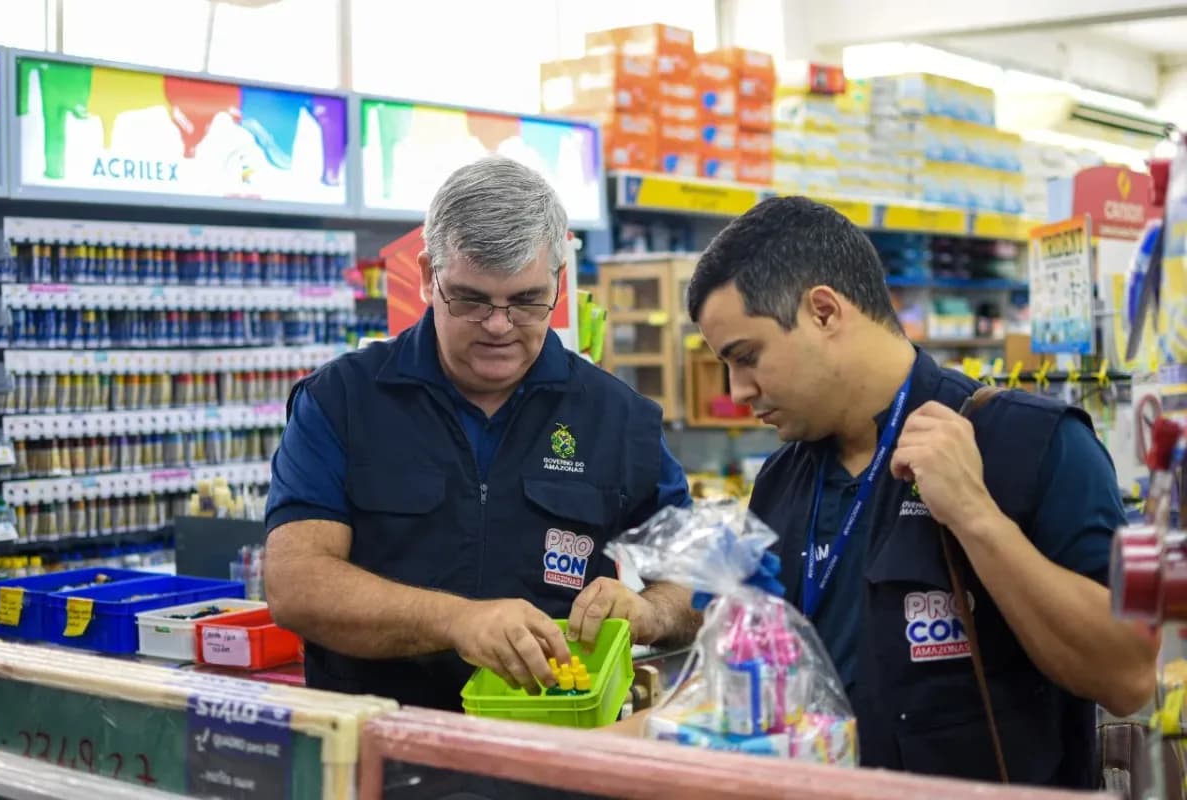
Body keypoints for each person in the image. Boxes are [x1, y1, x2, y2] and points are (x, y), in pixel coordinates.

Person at [684, 196, 1157, 787]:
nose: (738, 390)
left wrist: (977, 518)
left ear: (824, 312)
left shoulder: (1030, 444)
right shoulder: (782, 481)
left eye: (747, 357)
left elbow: (1127, 675)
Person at [264, 156, 697, 711]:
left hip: (554, 757)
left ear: (559, 284)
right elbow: (295, 584)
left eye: (525, 300)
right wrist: (457, 621)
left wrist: (649, 612)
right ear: (427, 276)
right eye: (470, 299)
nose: (499, 326)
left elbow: (699, 583)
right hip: (380, 751)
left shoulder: (620, 418)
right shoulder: (341, 401)